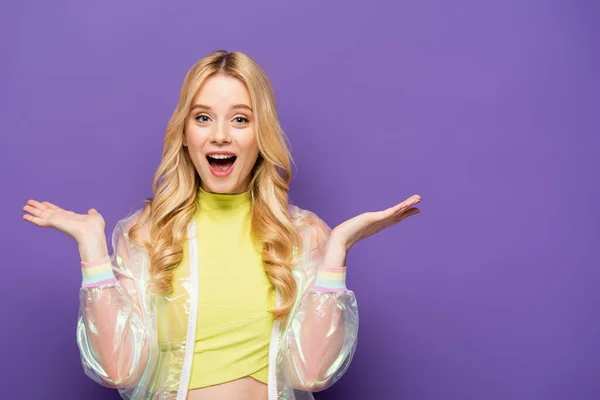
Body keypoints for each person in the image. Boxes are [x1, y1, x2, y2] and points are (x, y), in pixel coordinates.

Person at [21, 50, 421, 400]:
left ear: (260, 132)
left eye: (241, 119)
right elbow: (117, 370)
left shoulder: (302, 235)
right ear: (184, 132)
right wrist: (93, 254)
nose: (220, 136)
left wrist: (337, 252)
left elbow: (311, 375)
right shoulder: (147, 234)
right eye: (203, 117)